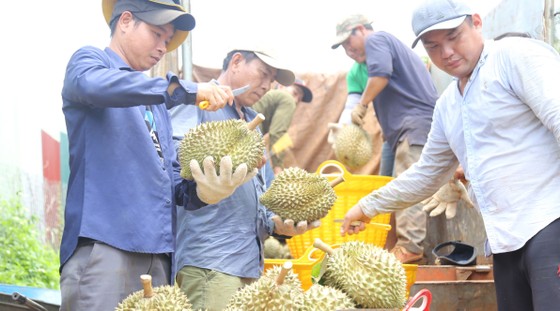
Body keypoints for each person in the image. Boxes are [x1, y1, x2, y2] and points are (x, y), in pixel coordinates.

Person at [341, 0, 560, 309]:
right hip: (504, 242)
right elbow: (427, 172)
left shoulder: (514, 57)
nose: (446, 52)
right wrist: (367, 206)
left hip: (551, 223)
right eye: (433, 46)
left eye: (454, 36)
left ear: (476, 22)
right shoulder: (448, 105)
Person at [58, 1, 256, 310]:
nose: (162, 47)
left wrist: (205, 191)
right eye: (156, 34)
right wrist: (186, 90)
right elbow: (93, 85)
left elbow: (173, 183)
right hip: (104, 247)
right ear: (125, 21)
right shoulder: (92, 62)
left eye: (167, 41)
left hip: (159, 256)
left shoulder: (156, 106)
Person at [169, 48, 320, 311]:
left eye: (272, 80)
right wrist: (203, 189)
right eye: (263, 74)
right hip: (210, 264)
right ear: (236, 62)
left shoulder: (253, 121)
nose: (267, 85)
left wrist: (277, 224)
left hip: (250, 265)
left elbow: (264, 192)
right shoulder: (197, 102)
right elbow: (173, 172)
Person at [331, 14, 438, 263]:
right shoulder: (360, 67)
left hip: (414, 125)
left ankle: (410, 246)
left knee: (408, 184)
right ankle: (389, 246)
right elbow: (354, 99)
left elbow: (381, 76)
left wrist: (364, 105)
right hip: (396, 134)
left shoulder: (377, 39)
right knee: (385, 187)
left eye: (349, 43)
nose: (348, 51)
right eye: (343, 48)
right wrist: (349, 122)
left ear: (360, 30)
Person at [252, 78, 313, 175]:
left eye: (300, 99)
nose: (296, 100)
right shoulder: (287, 98)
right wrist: (278, 168)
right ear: (281, 86)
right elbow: (277, 133)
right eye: (295, 93)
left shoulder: (268, 97)